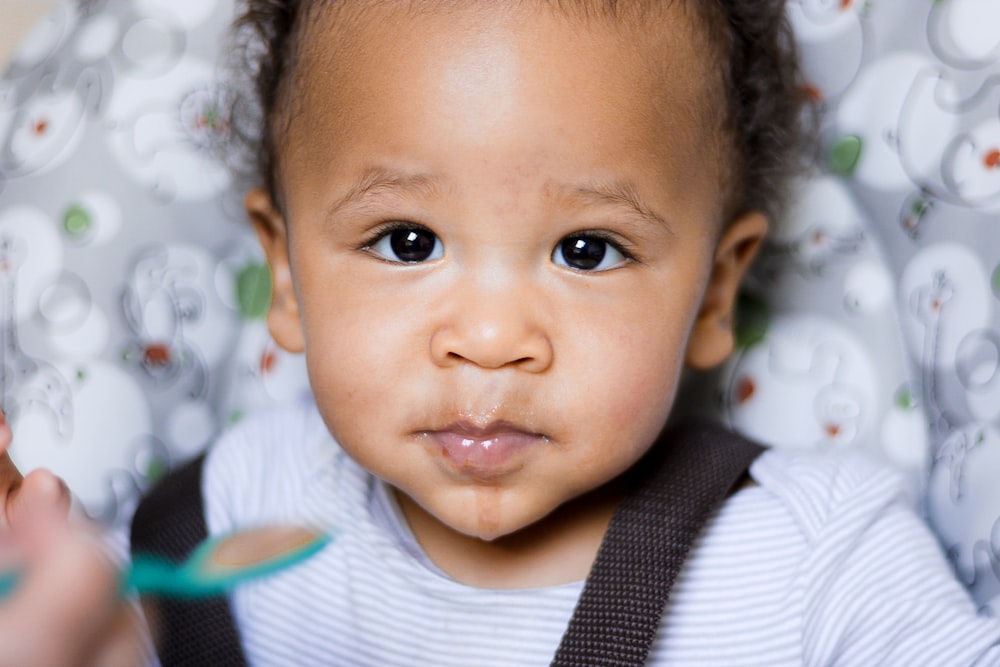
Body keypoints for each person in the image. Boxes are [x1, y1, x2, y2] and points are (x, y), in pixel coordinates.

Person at [3, 0, 1000, 664]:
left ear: (710, 294)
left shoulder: (820, 565)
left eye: (586, 250)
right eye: (405, 240)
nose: (488, 339)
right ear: (288, 270)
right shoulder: (216, 525)